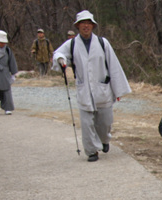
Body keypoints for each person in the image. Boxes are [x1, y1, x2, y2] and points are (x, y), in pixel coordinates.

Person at [53, 10, 131, 162]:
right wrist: (61, 59)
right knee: (87, 123)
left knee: (105, 122)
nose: (86, 26)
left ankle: (104, 140)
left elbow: (114, 66)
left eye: (88, 23)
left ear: (93, 26)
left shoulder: (103, 43)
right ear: (78, 26)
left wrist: (118, 90)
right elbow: (58, 54)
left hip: (102, 89)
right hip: (84, 90)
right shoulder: (72, 44)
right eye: (83, 23)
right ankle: (91, 151)